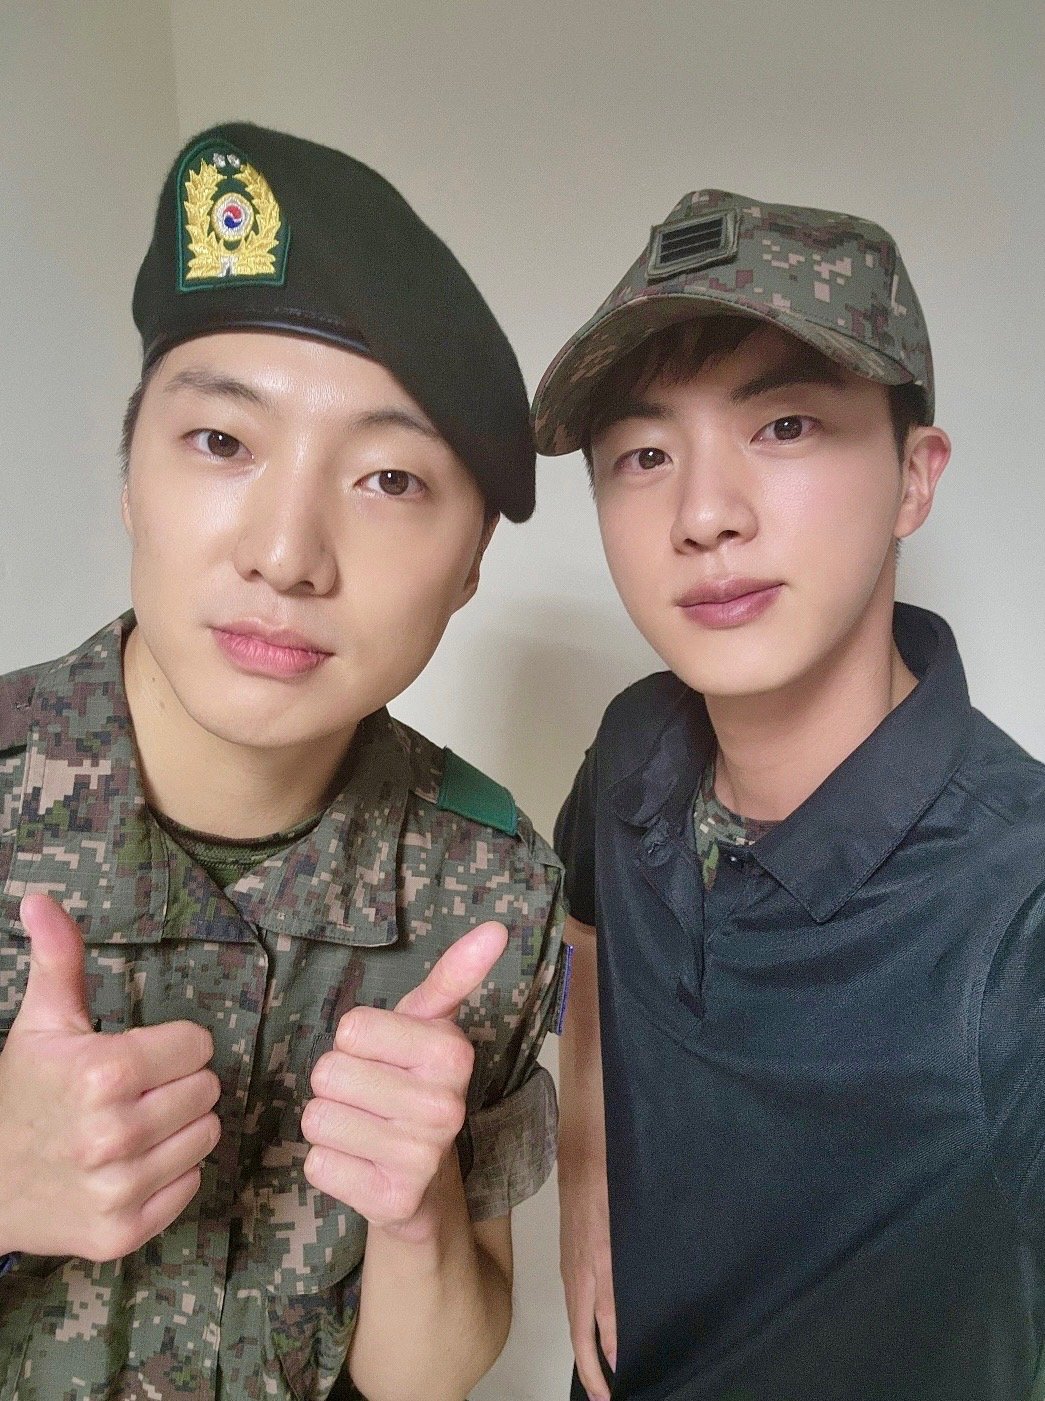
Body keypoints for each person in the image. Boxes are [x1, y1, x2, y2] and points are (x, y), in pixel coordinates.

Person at [0, 122, 567, 1401]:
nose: (287, 554)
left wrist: (417, 1215)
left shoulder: (493, 892)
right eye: (222, 443)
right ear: (131, 477)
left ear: (471, 567)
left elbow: (429, 1372)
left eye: (389, 479)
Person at [532, 189, 1045, 1400]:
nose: (704, 515)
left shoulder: (1017, 912)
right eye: (645, 456)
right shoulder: (634, 747)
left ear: (913, 477)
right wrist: (587, 1168)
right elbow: (587, 938)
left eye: (786, 425)